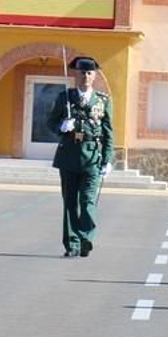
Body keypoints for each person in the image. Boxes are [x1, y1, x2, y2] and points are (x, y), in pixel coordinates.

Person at [49, 56, 113, 258]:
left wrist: (107, 159)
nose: (85, 76)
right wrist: (62, 126)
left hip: (92, 157)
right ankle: (72, 244)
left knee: (87, 201)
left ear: (94, 76)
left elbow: (108, 131)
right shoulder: (65, 98)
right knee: (70, 202)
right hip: (69, 156)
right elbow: (50, 122)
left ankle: (85, 237)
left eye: (89, 73)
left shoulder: (102, 100)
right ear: (76, 75)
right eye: (81, 72)